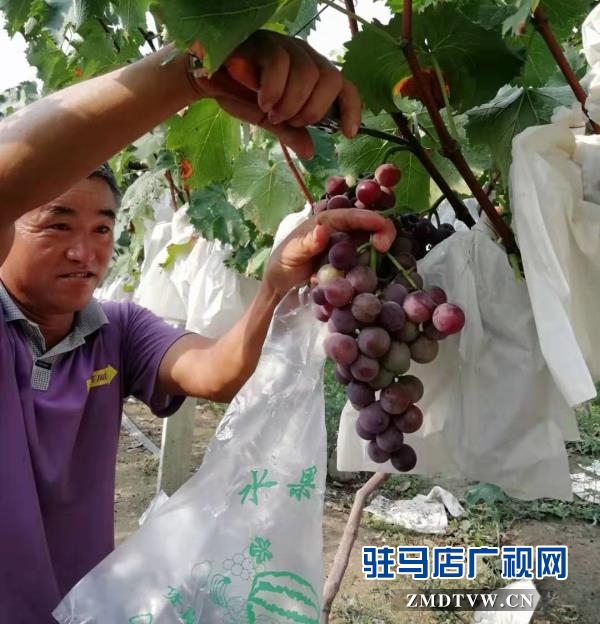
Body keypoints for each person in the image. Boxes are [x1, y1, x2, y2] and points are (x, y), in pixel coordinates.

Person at [0, 31, 395, 623]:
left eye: (103, 229)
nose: (86, 251)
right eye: (57, 226)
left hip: (84, 610)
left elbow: (214, 374)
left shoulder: (118, 330)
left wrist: (274, 284)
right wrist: (189, 75)